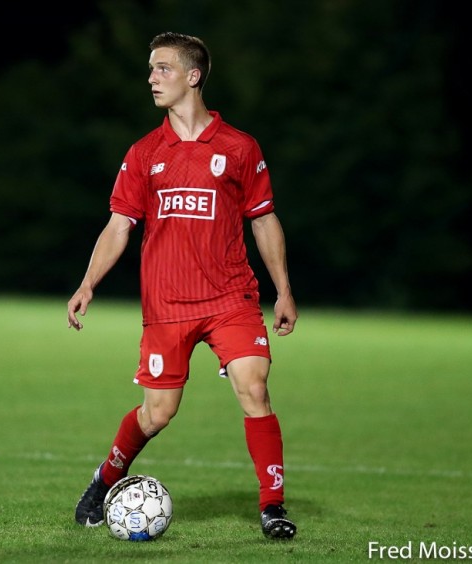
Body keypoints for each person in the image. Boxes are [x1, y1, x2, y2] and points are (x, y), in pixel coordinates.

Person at [66, 31, 298, 540]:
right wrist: (88, 283)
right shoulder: (146, 152)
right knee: (158, 412)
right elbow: (119, 225)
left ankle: (273, 507)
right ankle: (106, 477)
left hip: (230, 298)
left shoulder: (239, 147)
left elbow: (263, 219)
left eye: (163, 68)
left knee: (254, 386)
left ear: (193, 76)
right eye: (150, 69)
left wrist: (282, 288)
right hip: (166, 303)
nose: (152, 77)